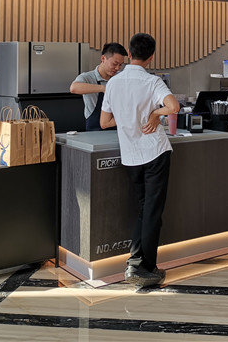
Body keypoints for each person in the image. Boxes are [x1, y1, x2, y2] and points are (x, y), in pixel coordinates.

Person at [100, 33, 179, 287]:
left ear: (130, 53)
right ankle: (147, 267)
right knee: (152, 211)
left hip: (131, 155)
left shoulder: (113, 83)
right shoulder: (153, 81)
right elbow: (174, 107)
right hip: (155, 151)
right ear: (151, 56)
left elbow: (104, 122)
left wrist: (127, 119)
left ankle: (135, 262)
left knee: (145, 208)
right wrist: (155, 114)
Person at [70, 42, 127, 131]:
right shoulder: (87, 77)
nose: (117, 68)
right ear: (103, 58)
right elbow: (74, 88)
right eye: (114, 64)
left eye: (120, 65)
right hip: (94, 131)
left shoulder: (121, 77)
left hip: (118, 129)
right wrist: (103, 89)